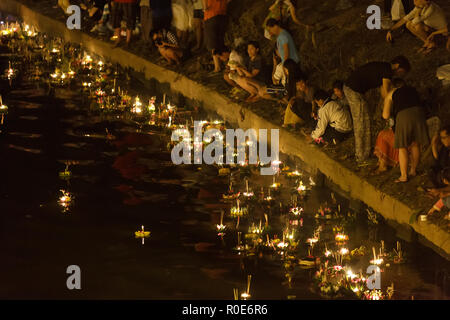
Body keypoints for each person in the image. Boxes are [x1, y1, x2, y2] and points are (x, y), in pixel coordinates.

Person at [343, 56, 411, 164]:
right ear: (398, 66)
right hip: (353, 90)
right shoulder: (387, 70)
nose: (402, 74)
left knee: (366, 121)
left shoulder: (383, 69)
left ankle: (366, 152)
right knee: (361, 123)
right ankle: (361, 156)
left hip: (354, 90)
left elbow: (384, 93)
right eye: (402, 71)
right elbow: (387, 93)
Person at [382, 79, 429, 182]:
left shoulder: (392, 92)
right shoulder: (413, 90)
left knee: (402, 147)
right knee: (416, 144)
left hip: (404, 116)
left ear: (394, 86)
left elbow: (385, 115)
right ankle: (413, 171)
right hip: (419, 113)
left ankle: (404, 176)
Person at [204, 0, 230, 73]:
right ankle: (228, 65)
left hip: (211, 14)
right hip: (222, 14)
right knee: (220, 41)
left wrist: (205, 8)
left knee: (212, 43)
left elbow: (204, 3)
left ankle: (217, 67)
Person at [428, 125, 450, 190]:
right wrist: (434, 146)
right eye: (441, 138)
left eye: (444, 137)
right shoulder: (445, 148)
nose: (442, 140)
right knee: (432, 170)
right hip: (445, 173)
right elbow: (439, 161)